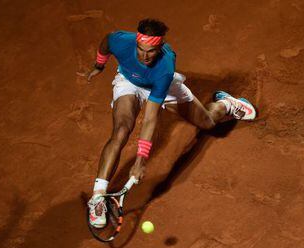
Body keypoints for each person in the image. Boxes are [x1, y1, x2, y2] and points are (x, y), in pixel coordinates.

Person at [84, 19, 256, 228]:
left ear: (160, 47)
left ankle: (226, 104)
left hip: (162, 88)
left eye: (151, 51)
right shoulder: (120, 41)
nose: (145, 56)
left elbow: (150, 118)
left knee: (209, 123)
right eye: (141, 50)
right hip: (128, 81)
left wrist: (141, 159)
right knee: (120, 130)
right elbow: (105, 43)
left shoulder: (164, 67)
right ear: (136, 42)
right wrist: (99, 65)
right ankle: (98, 197)